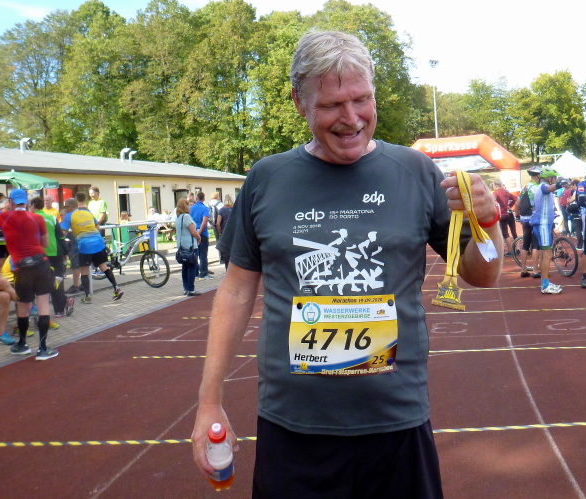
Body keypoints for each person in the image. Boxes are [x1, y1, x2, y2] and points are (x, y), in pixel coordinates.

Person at [190, 31, 503, 498]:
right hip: (293, 427)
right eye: (333, 105)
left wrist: (488, 220)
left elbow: (484, 273)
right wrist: (208, 402)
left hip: (396, 423)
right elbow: (235, 292)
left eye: (362, 100)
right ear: (299, 102)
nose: (351, 118)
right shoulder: (267, 178)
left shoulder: (416, 172)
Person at [0, 189, 58, 360]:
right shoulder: (37, 218)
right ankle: (43, 349)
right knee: (43, 305)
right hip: (41, 263)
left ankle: (22, 345)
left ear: (11, 202)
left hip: (22, 268)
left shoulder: (4, 217)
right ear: (26, 202)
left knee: (23, 307)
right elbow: (45, 243)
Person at [61, 193, 123, 304]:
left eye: (66, 207)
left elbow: (63, 233)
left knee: (84, 271)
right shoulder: (87, 212)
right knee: (104, 267)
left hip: (84, 245)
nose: (65, 209)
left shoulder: (68, 216)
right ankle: (117, 288)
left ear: (69, 207)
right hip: (98, 242)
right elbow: (98, 227)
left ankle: (88, 297)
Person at [30, 197, 73, 318]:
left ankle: (39, 312)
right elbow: (60, 236)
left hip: (39, 254)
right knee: (57, 280)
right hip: (55, 253)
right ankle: (59, 310)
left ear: (32, 206)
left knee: (39, 282)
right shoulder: (52, 218)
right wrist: (66, 251)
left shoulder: (31, 218)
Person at [530, 167, 566, 294]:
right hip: (543, 225)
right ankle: (545, 286)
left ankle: (545, 283)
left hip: (544, 224)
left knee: (545, 254)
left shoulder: (540, 187)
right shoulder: (544, 186)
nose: (555, 179)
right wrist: (560, 184)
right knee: (548, 255)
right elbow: (549, 188)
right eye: (554, 178)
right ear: (549, 178)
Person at [516, 166, 542, 278]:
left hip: (524, 218)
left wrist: (517, 216)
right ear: (538, 176)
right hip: (534, 218)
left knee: (525, 243)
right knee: (535, 244)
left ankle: (523, 269)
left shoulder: (525, 187)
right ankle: (535, 270)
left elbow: (517, 203)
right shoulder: (537, 188)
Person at [175, 198, 202, 297]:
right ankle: (191, 288)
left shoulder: (178, 218)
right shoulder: (186, 217)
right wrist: (199, 238)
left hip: (182, 245)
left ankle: (186, 288)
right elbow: (193, 231)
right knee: (192, 265)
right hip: (190, 245)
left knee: (185, 266)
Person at [189, 192, 212, 280]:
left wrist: (194, 232)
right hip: (203, 234)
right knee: (203, 254)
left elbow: (189, 221)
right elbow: (204, 222)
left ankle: (195, 273)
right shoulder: (205, 209)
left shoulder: (191, 208)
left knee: (194, 253)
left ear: (196, 198)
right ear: (204, 199)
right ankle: (203, 273)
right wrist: (199, 232)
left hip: (193, 232)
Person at [491, 180, 517, 256]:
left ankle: (504, 251)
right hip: (506, 214)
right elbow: (515, 198)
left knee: (501, 234)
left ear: (496, 185)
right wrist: (509, 206)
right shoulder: (506, 192)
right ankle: (510, 251)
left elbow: (493, 201)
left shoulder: (495, 193)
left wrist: (495, 208)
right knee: (505, 233)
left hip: (500, 215)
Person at [218, 194, 234, 269]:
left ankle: (227, 268)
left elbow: (218, 223)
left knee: (226, 251)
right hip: (234, 232)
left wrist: (219, 232)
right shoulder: (235, 209)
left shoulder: (221, 210)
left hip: (225, 232)